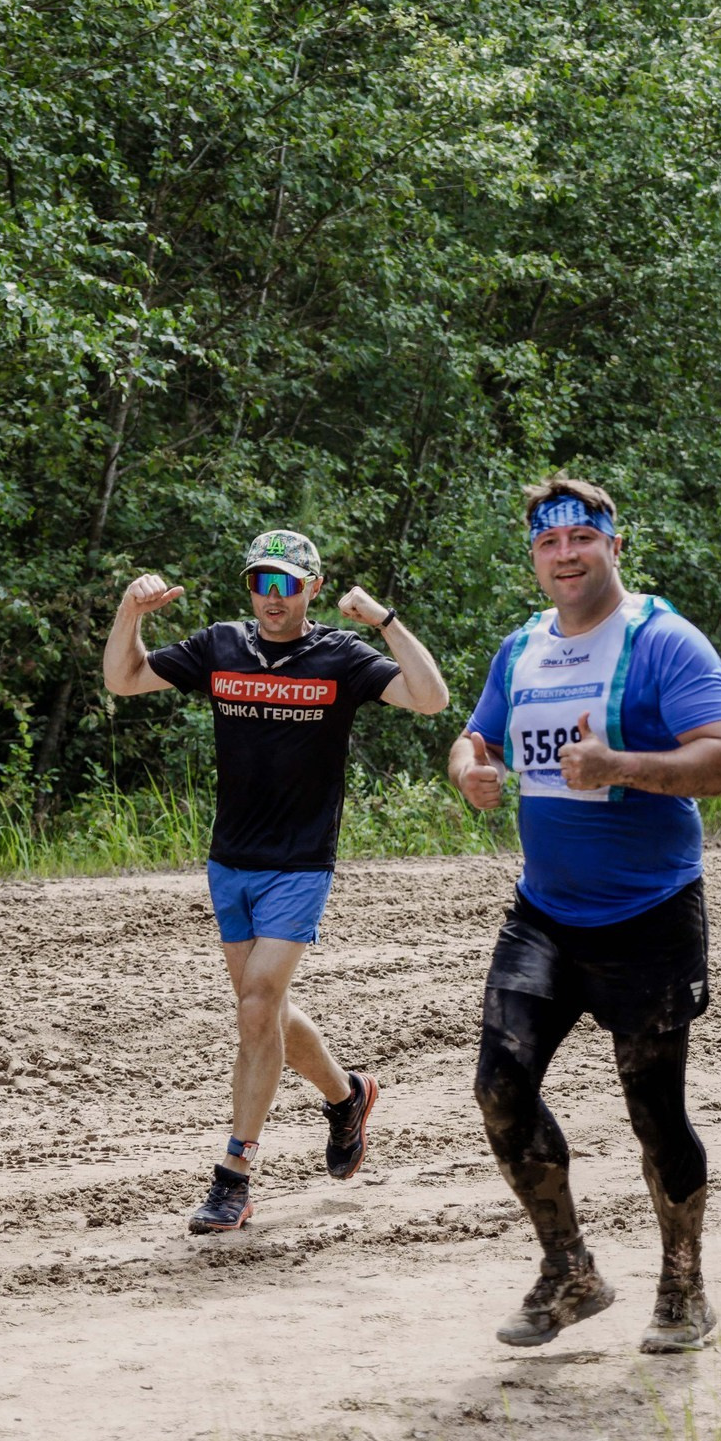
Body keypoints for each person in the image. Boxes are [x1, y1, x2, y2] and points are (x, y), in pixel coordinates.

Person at [447, 477, 721, 1353]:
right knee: (499, 1089)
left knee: (654, 1113)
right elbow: (478, 737)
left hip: (649, 913)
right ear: (535, 558)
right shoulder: (523, 648)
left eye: (583, 537)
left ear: (615, 546)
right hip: (545, 914)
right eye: (550, 543)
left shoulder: (663, 642)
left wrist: (621, 765)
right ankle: (569, 1269)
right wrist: (467, 767)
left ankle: (684, 1288)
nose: (567, 554)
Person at [105, 528, 451, 1234]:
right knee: (262, 1011)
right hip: (230, 860)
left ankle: (234, 1172)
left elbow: (431, 698)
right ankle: (347, 1095)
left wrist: (384, 620)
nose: (272, 596)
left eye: (287, 583)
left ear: (311, 589)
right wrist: (128, 613)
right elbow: (124, 678)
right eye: (262, 582)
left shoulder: (340, 658)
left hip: (299, 863)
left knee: (258, 1003)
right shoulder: (220, 646)